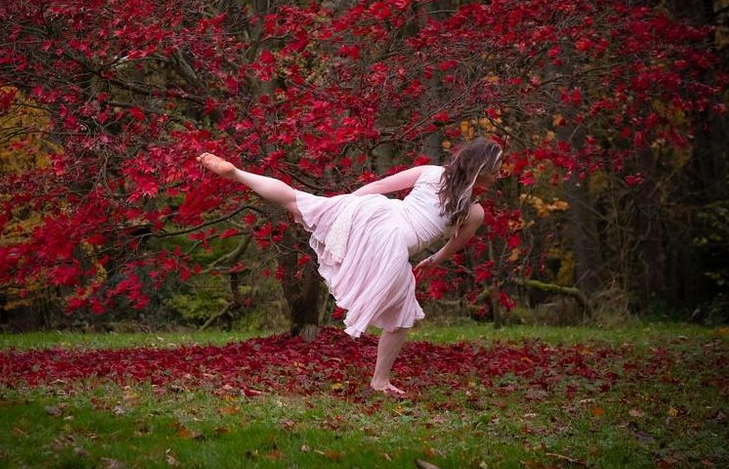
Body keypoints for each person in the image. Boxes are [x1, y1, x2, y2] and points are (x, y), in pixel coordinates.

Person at [197, 137, 503, 396]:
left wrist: (343, 205)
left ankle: (237, 173)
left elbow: (382, 184)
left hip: (376, 214)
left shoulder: (431, 172)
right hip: (393, 238)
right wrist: (434, 259)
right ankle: (380, 381)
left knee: (296, 199)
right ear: (481, 172)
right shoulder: (474, 212)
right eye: (496, 171)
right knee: (401, 317)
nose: (499, 176)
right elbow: (455, 244)